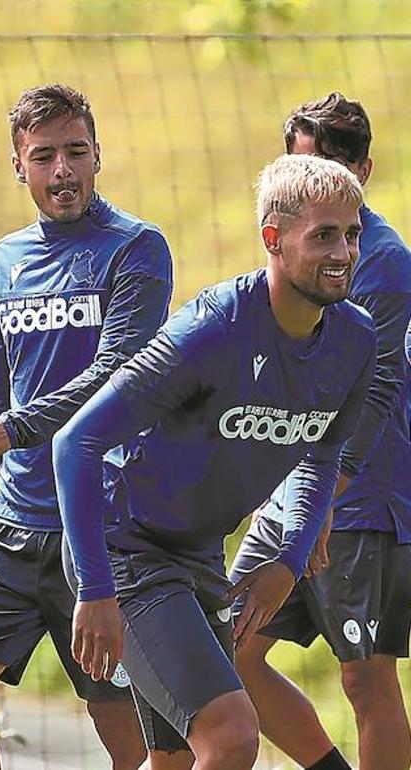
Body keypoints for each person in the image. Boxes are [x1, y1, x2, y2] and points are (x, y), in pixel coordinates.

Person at [55, 153, 377, 770]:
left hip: (198, 554)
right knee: (230, 734)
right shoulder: (212, 328)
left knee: (178, 759)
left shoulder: (355, 340)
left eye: (353, 233)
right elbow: (76, 441)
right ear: (274, 240)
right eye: (324, 235)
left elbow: (322, 456)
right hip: (127, 551)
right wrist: (95, 591)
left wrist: (286, 560)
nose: (344, 252)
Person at [0, 83, 171, 770]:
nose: (63, 170)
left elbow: (118, 374)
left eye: (77, 153)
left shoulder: (136, 249)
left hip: (103, 528)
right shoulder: (8, 259)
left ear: (98, 156)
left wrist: (16, 429)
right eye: (45, 155)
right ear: (18, 165)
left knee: (127, 730)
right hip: (13, 523)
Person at [229, 92, 411, 770]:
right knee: (233, 647)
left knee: (366, 676)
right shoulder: (281, 258)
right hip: (286, 491)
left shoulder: (383, 261)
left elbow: (377, 387)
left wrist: (329, 491)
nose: (318, 187)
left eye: (335, 169)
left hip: (357, 495)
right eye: (301, 166)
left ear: (364, 170)